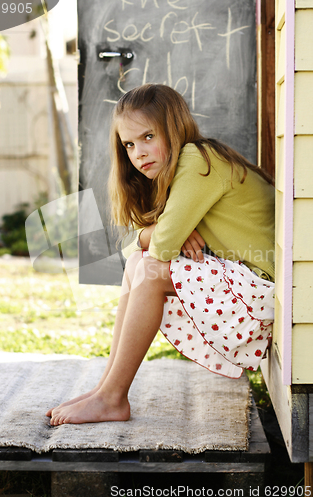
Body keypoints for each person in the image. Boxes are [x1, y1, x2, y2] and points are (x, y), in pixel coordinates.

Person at [47, 84, 275, 426]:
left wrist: (161, 235)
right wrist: (158, 235)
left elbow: (161, 247)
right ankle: (105, 389)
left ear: (175, 127)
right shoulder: (189, 163)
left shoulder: (199, 161)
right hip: (250, 286)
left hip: (264, 293)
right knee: (142, 263)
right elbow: (137, 249)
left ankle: (112, 398)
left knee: (152, 270)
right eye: (129, 144)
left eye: (148, 136)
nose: (139, 153)